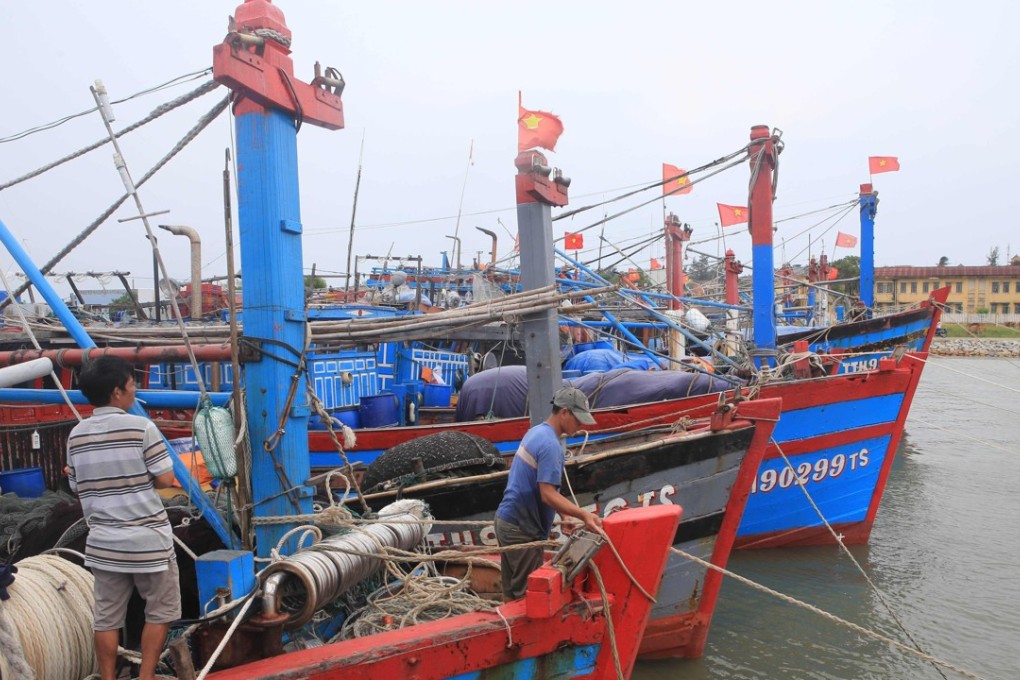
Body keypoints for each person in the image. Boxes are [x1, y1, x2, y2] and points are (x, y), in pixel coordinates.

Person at [66, 356, 180, 680]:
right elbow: (166, 479)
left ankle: (107, 677)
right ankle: (145, 677)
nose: (135, 391)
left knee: (106, 618)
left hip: (103, 544)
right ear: (117, 392)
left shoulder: (76, 435)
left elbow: (76, 484)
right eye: (132, 385)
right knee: (159, 612)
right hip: (149, 542)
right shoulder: (142, 426)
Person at [494, 386, 603, 600]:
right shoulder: (550, 445)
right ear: (564, 412)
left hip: (507, 522)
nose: (580, 426)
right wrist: (584, 515)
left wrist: (564, 516)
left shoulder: (536, 432)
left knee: (512, 591)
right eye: (578, 420)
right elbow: (547, 494)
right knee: (525, 598)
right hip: (521, 529)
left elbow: (540, 488)